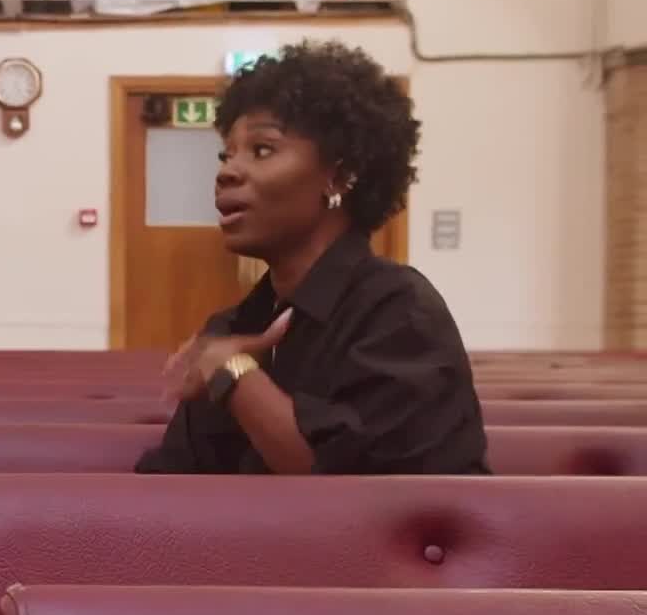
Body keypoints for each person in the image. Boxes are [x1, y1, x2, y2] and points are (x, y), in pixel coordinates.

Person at [135, 40, 490, 475]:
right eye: (227, 154)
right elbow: (174, 478)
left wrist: (234, 373)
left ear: (338, 176)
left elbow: (343, 492)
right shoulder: (235, 326)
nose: (227, 171)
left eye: (262, 150)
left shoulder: (400, 314)